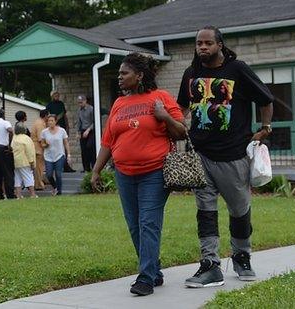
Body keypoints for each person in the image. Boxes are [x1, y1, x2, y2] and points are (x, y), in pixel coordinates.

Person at [177, 27, 274, 287]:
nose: (203, 47)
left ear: (220, 45)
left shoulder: (237, 70)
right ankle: (210, 265)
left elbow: (266, 99)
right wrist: (173, 122)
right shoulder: (191, 74)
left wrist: (265, 129)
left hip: (233, 156)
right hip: (200, 155)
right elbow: (182, 108)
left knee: (239, 210)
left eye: (208, 43)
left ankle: (242, 256)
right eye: (199, 43)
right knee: (205, 212)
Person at [92, 52, 186, 296]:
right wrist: (96, 170)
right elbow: (108, 141)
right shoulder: (118, 104)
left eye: (124, 73)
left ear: (140, 75)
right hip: (124, 174)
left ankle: (145, 278)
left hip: (154, 172)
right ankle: (154, 271)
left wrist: (164, 116)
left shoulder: (160, 97)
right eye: (119, 73)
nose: (119, 77)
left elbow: (182, 132)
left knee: (148, 224)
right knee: (135, 226)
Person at [40, 115, 68, 195]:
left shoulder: (62, 131)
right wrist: (46, 145)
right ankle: (55, 187)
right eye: (49, 121)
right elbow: (42, 144)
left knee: (58, 174)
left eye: (52, 121)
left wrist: (68, 154)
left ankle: (59, 192)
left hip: (59, 154)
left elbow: (66, 143)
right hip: (48, 156)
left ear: (55, 121)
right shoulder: (44, 132)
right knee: (49, 175)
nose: (50, 122)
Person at [11, 124, 37, 199]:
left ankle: (19, 195)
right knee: (28, 177)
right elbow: (29, 151)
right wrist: (31, 162)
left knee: (17, 178)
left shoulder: (14, 138)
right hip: (24, 161)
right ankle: (32, 194)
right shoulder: (26, 138)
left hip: (15, 161)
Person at [77, 95, 97, 172]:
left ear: (85, 101)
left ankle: (93, 166)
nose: (80, 104)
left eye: (81, 102)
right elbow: (79, 121)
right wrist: (78, 132)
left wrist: (88, 130)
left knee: (90, 147)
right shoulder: (79, 110)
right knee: (83, 149)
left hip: (90, 130)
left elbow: (94, 122)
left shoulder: (91, 109)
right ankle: (86, 168)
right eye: (78, 103)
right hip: (83, 130)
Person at [30, 109, 48, 190]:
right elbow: (41, 138)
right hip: (38, 148)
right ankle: (38, 185)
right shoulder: (40, 124)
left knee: (38, 167)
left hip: (36, 147)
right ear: (45, 116)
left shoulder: (38, 122)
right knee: (39, 168)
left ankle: (39, 183)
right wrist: (46, 145)